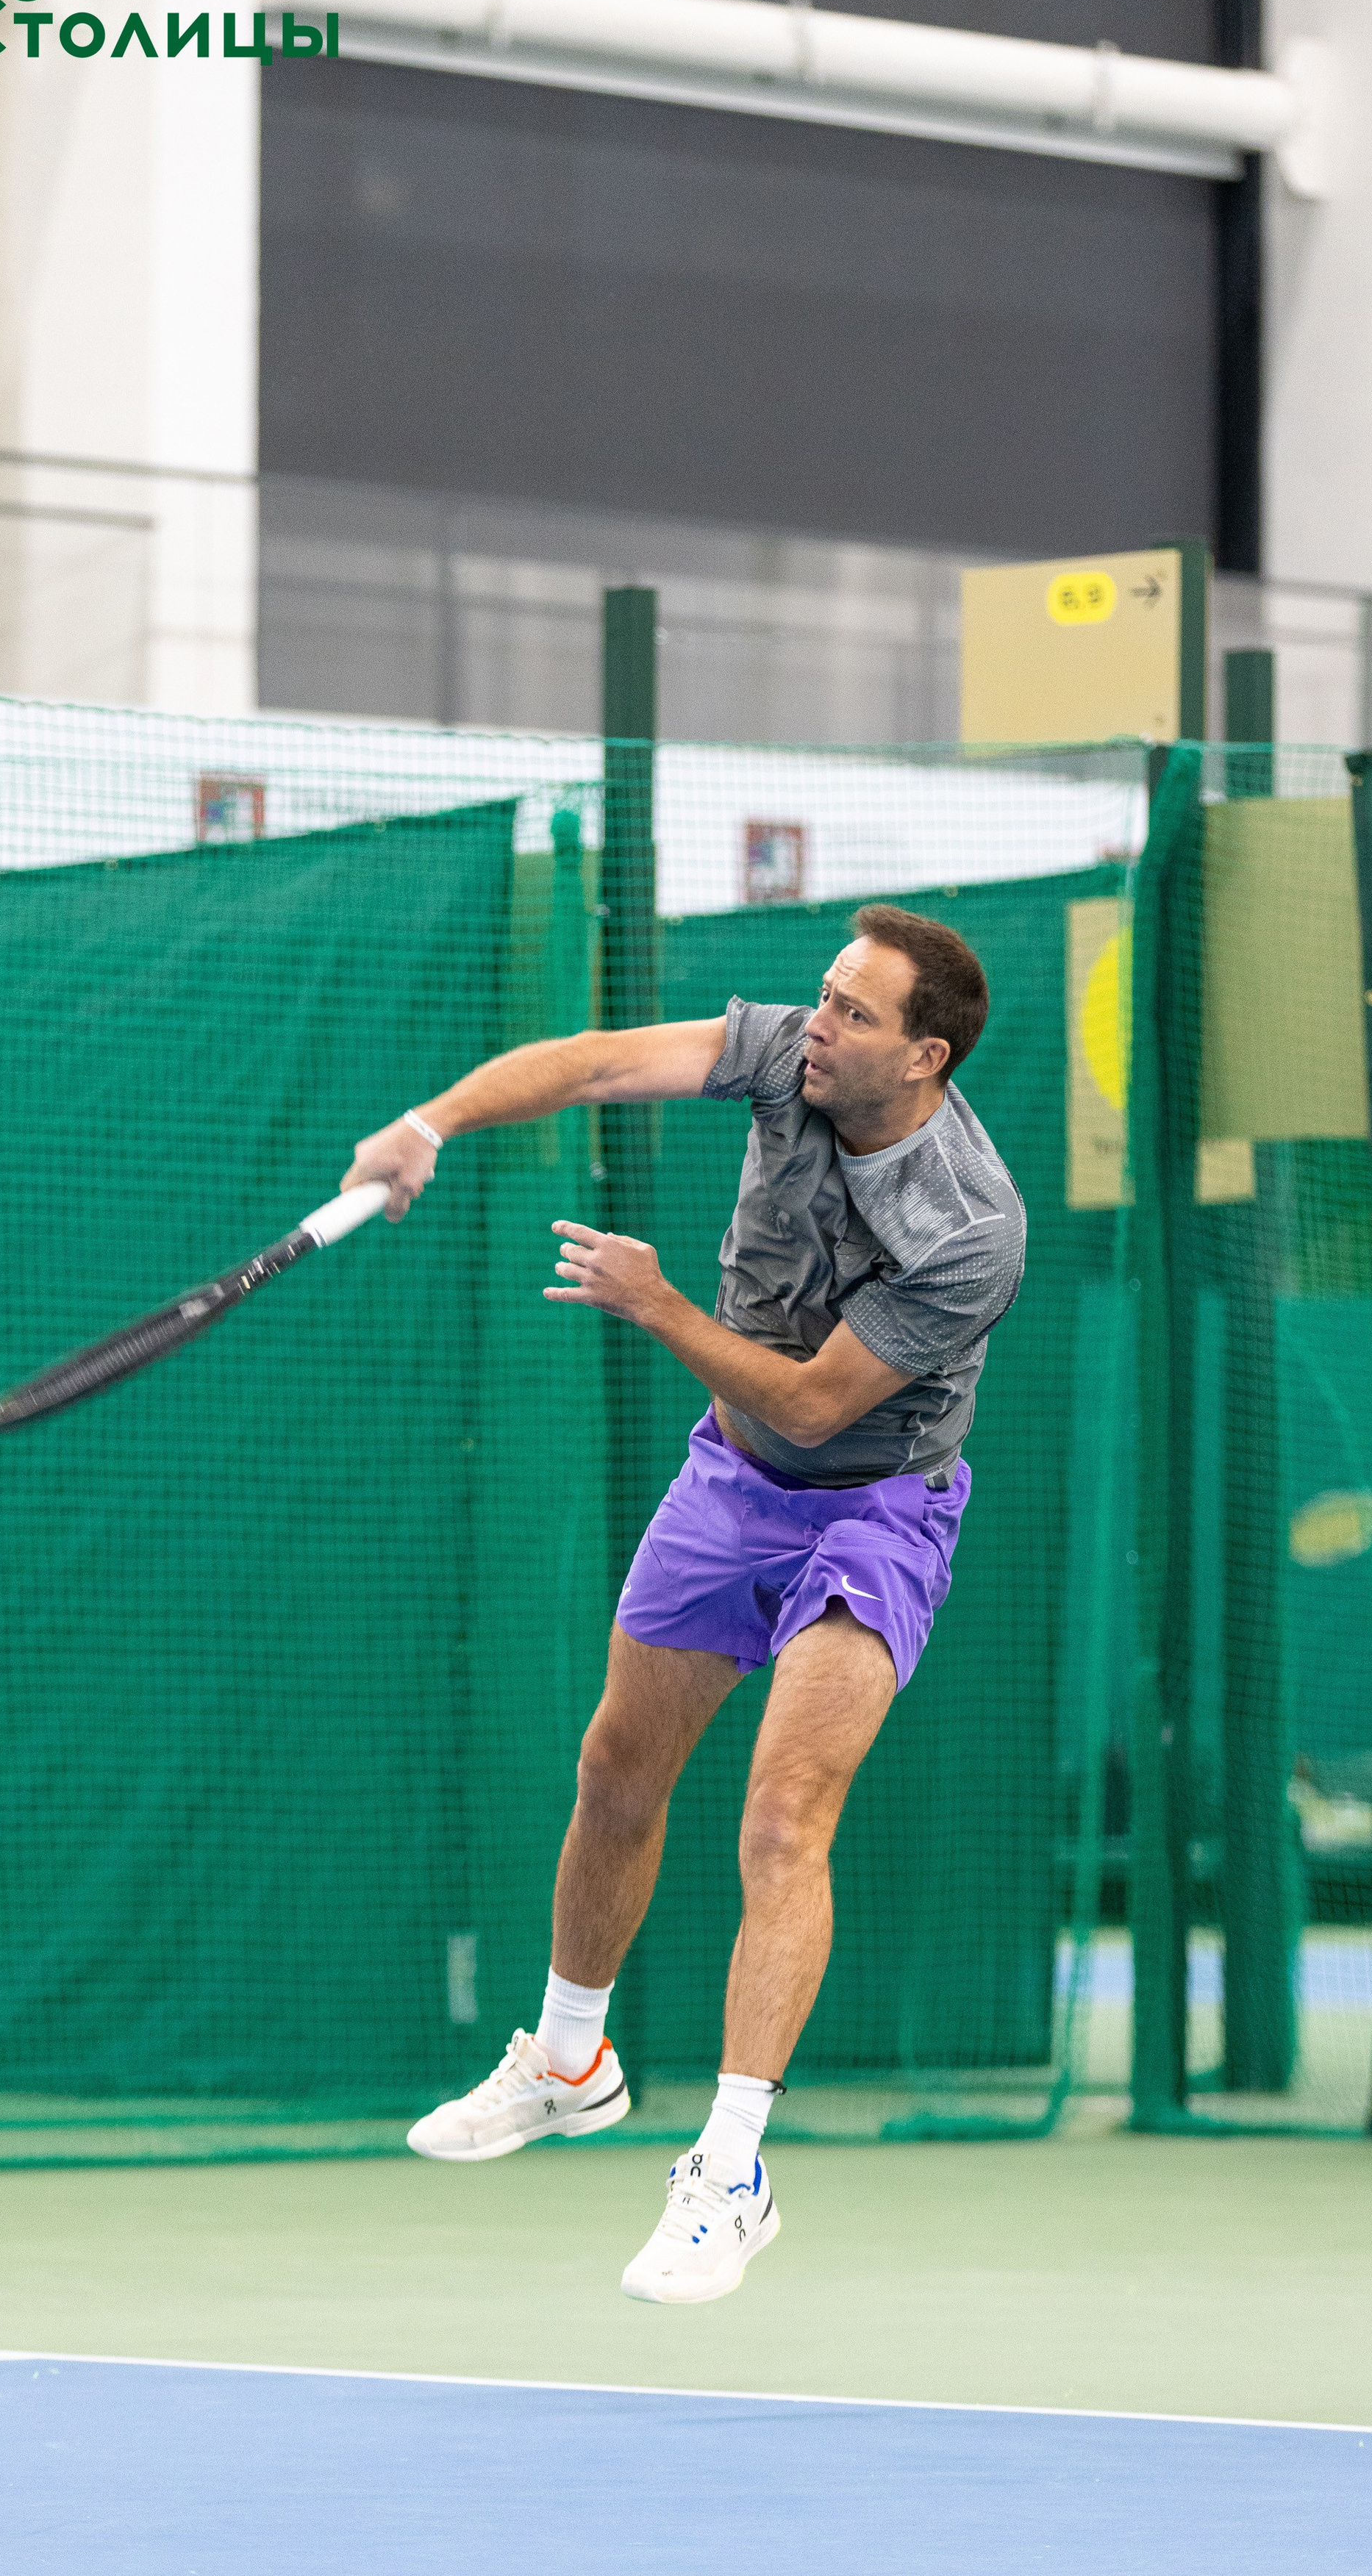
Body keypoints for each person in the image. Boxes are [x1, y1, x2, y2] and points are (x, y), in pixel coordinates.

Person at [341, 904, 1024, 2305]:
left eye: (851, 1012)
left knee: (783, 1818)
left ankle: (730, 2169)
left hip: (878, 1502)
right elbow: (594, 1062)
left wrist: (653, 1303)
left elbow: (818, 1400)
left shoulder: (970, 1228)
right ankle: (568, 2057)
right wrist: (432, 1121)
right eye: (823, 997)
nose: (814, 1024)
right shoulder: (788, 1058)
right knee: (616, 1768)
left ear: (927, 1054)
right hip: (732, 1483)